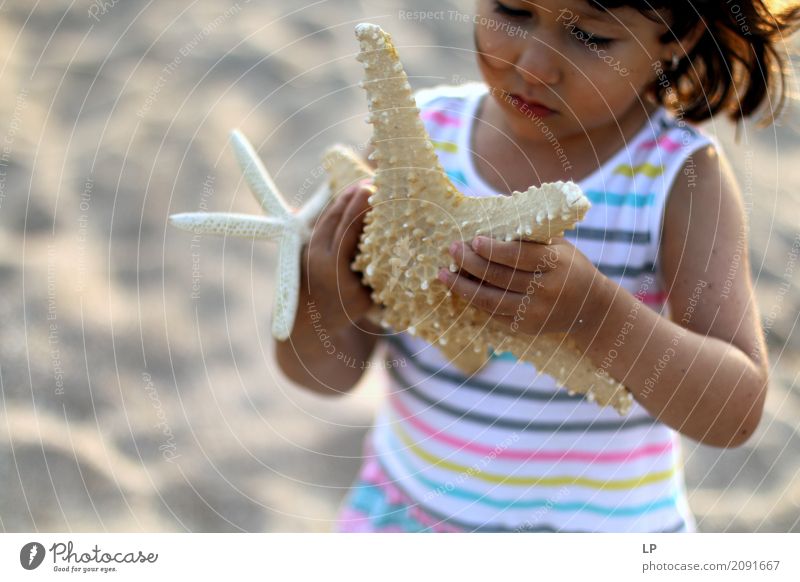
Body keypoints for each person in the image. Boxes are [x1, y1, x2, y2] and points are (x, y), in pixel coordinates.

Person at [276, 0, 800, 532]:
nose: (534, 65)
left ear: (678, 37)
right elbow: (326, 376)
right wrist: (324, 300)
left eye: (593, 39)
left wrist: (597, 317)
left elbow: (732, 415)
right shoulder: (417, 139)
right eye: (513, 10)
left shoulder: (680, 180)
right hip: (407, 517)